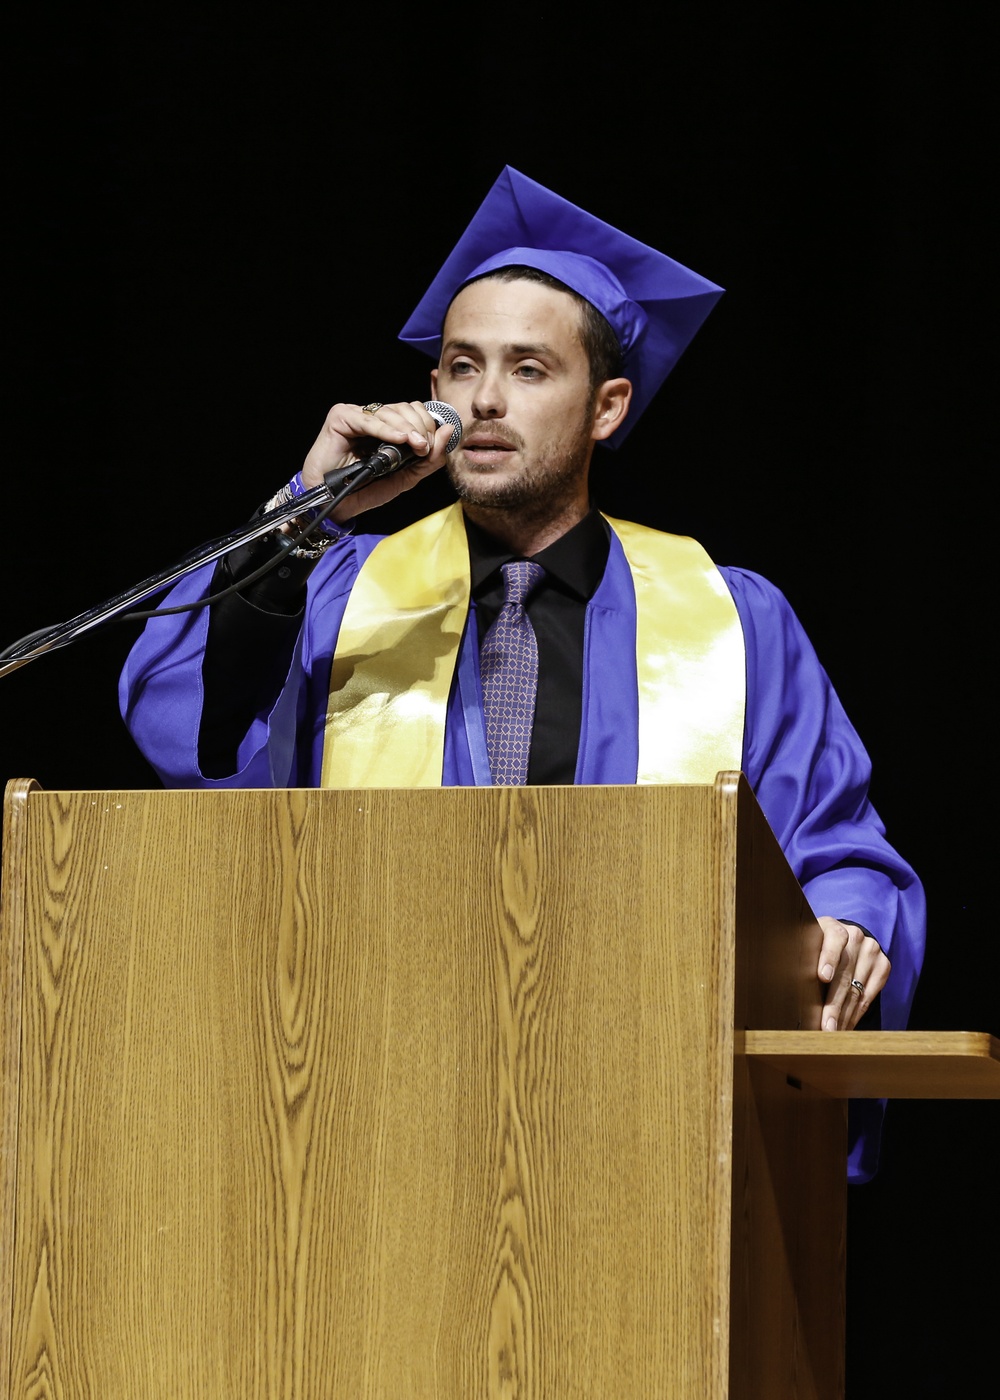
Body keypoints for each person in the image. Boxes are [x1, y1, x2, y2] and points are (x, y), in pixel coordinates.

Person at [120, 168, 925, 1178]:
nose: (485, 398)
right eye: (461, 366)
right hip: (374, 1112)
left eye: (529, 368)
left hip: (639, 1119)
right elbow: (178, 709)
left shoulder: (729, 618)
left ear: (607, 406)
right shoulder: (338, 589)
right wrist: (306, 507)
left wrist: (848, 920)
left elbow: (833, 842)